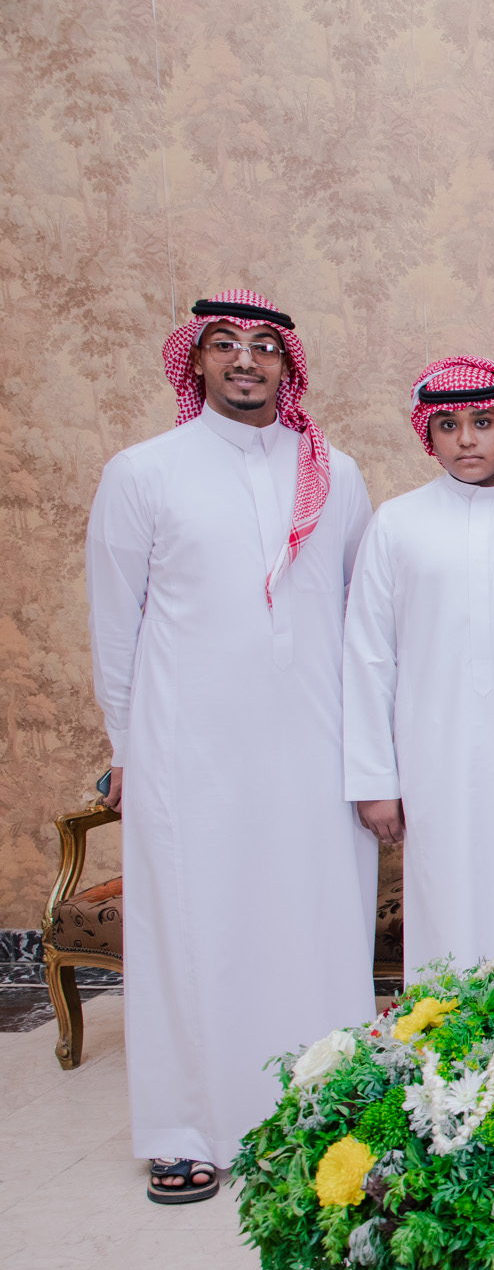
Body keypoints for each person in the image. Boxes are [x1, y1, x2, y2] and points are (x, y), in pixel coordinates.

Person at [87, 292, 375, 1203]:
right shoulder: (143, 472)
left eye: (262, 346)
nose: (245, 359)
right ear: (197, 360)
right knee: (192, 929)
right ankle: (187, 1128)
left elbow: (362, 618)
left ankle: (321, 1117)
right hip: (188, 749)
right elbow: (115, 625)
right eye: (224, 344)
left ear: (287, 365)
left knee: (314, 924)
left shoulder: (336, 473)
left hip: (314, 746)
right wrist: (126, 745)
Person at [343, 357, 494, 976]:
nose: (467, 439)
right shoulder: (397, 524)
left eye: (483, 422)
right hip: (433, 759)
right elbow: (368, 655)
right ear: (429, 434)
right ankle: (444, 1029)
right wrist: (375, 778)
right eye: (448, 425)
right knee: (445, 904)